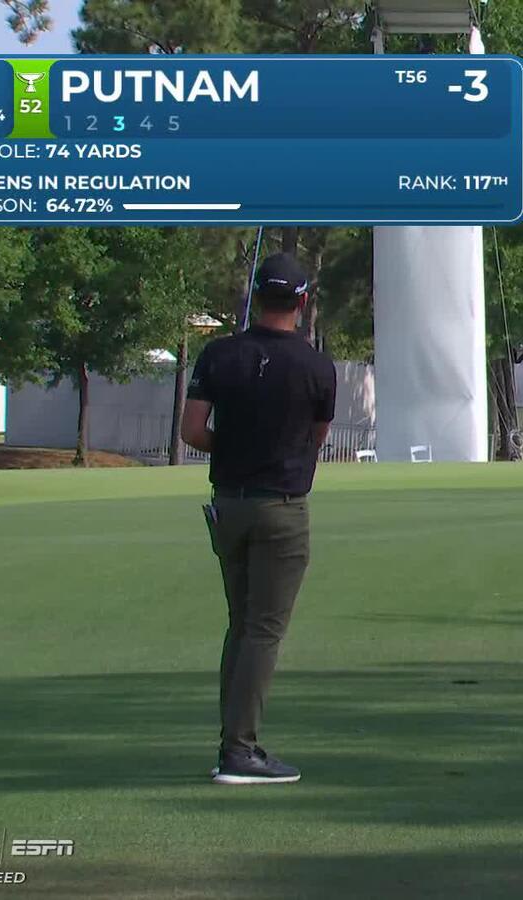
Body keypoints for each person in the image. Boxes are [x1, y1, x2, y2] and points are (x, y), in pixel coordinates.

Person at [181, 253, 337, 786]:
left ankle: (232, 741)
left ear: (255, 295)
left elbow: (193, 430)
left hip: (229, 502)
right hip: (283, 509)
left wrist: (237, 447)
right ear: (301, 301)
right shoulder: (317, 365)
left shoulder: (219, 354)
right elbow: (317, 438)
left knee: (242, 625)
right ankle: (240, 751)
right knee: (264, 632)